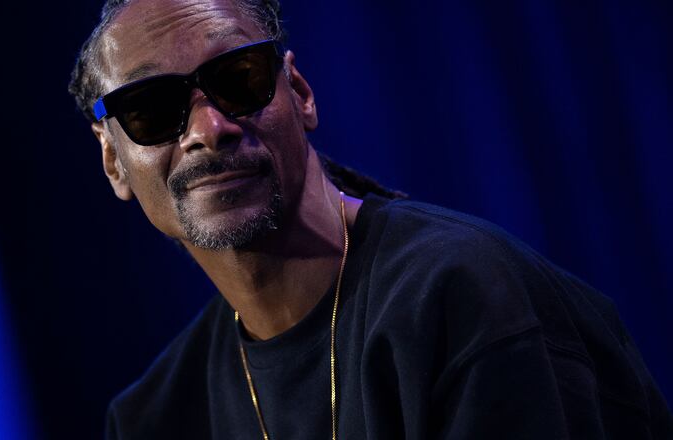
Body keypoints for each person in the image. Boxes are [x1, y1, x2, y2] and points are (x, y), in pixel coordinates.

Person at [68, 0, 673, 438]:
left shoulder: (465, 296)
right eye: (150, 108)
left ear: (299, 93)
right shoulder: (154, 418)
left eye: (238, 80)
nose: (208, 130)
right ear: (113, 163)